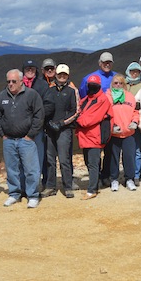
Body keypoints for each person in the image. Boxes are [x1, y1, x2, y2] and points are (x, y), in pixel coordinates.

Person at [0, 69, 45, 209]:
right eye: (8, 81)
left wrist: (31, 135)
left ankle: (33, 195)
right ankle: (14, 193)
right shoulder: (1, 96)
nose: (10, 84)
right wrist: (2, 134)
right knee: (12, 169)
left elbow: (39, 116)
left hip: (26, 139)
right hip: (9, 140)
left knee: (31, 169)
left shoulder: (31, 95)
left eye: (14, 81)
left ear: (21, 81)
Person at [43, 64, 80, 198]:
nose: (62, 77)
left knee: (64, 159)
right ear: (56, 75)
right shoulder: (50, 89)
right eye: (60, 74)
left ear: (68, 76)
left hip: (64, 129)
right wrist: (47, 123)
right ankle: (50, 186)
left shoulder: (72, 90)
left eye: (64, 75)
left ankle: (68, 186)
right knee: (49, 159)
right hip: (50, 129)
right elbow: (45, 107)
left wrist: (62, 123)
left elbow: (76, 111)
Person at [76, 74, 113, 200]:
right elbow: (79, 111)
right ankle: (94, 185)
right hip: (85, 136)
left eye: (94, 85)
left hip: (94, 137)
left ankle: (92, 190)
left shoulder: (102, 100)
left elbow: (90, 118)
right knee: (89, 162)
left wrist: (77, 121)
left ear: (99, 86)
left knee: (93, 163)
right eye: (89, 85)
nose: (92, 87)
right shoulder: (86, 99)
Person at [105, 73, 140, 191]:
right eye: (116, 83)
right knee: (113, 157)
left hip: (128, 132)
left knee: (129, 157)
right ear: (111, 84)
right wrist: (111, 126)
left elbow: (135, 111)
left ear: (124, 85)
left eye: (121, 83)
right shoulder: (107, 97)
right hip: (114, 133)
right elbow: (105, 114)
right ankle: (114, 179)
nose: (118, 85)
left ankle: (129, 179)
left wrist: (135, 121)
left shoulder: (129, 96)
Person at [22, 59, 54, 187]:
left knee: (37, 158)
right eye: (27, 68)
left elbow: (49, 105)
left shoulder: (42, 85)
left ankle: (34, 187)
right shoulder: (18, 84)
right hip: (21, 128)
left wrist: (36, 118)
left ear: (36, 70)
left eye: (32, 68)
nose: (30, 71)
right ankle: (22, 186)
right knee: (21, 159)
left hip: (38, 128)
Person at [125, 61, 141, 184]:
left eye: (137, 71)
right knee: (128, 150)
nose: (134, 74)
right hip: (124, 122)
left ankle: (137, 174)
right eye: (132, 71)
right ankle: (129, 173)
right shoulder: (123, 84)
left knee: (137, 150)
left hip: (137, 122)